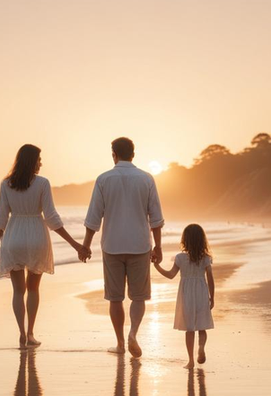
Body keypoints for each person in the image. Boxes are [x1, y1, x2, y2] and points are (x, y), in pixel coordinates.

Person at [0, 144, 90, 348]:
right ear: (32, 161)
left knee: (18, 291)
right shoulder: (43, 183)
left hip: (14, 237)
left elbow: (1, 217)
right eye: (39, 159)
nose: (41, 163)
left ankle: (20, 333)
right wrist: (75, 245)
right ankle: (30, 334)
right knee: (33, 289)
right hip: (37, 236)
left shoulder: (6, 184)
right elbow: (52, 218)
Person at [83, 137, 164, 358]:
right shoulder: (146, 179)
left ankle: (119, 343)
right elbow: (155, 218)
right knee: (139, 297)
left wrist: (85, 246)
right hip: (140, 245)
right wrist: (158, 247)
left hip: (112, 245)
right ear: (133, 154)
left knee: (115, 297)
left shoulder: (103, 179)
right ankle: (133, 334)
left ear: (113, 154)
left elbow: (93, 218)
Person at [153, 224, 215, 368]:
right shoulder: (206, 258)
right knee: (202, 326)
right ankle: (201, 347)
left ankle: (191, 361)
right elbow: (210, 279)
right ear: (202, 240)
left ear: (184, 240)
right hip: (201, 293)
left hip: (186, 295)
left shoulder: (180, 258)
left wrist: (156, 266)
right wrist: (212, 297)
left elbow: (170, 275)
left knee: (189, 329)